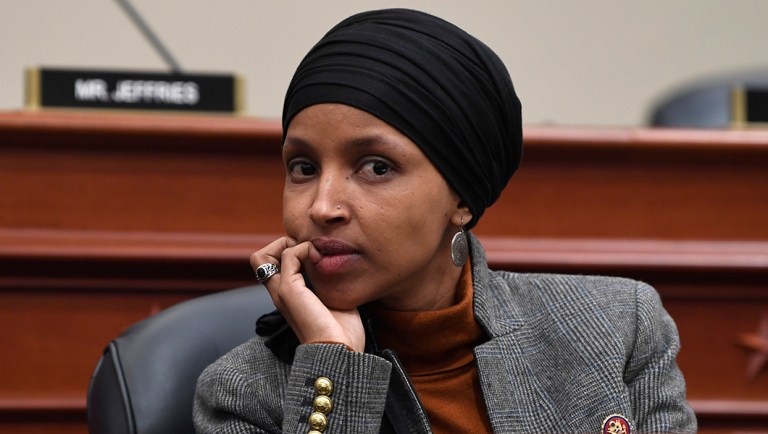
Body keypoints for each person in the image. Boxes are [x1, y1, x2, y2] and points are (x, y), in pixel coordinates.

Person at [194, 8, 697, 434]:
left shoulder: (616, 328)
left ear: (462, 197)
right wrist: (334, 365)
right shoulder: (242, 392)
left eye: (376, 168)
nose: (322, 207)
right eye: (303, 168)